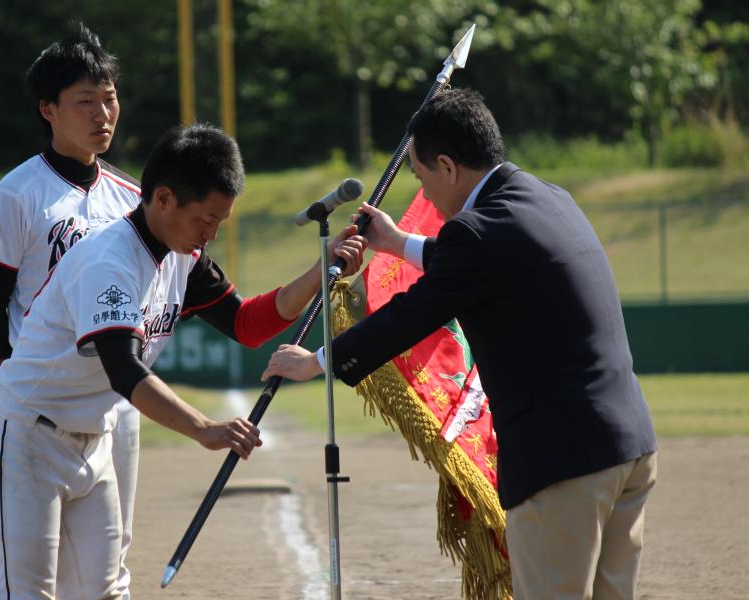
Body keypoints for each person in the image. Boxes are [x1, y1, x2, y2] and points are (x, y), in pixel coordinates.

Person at [263, 88, 658, 600]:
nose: (423, 194)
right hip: (629, 446)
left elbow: (412, 315)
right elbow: (475, 265)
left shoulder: (476, 233)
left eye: (422, 176)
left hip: (565, 462)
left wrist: (317, 361)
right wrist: (395, 243)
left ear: (447, 166)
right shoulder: (545, 197)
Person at [0, 122, 364, 598]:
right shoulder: (107, 261)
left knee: (107, 592)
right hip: (26, 439)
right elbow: (126, 372)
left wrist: (321, 272)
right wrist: (204, 428)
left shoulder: (183, 253)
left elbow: (246, 324)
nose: (211, 234)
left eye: (220, 222)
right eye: (205, 220)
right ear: (163, 199)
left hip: (91, 443)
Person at [0, 23, 143, 598]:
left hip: (116, 405)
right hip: (39, 408)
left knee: (107, 571)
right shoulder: (17, 194)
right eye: (85, 101)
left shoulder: (132, 200)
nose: (102, 113)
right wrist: (9, 388)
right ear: (48, 108)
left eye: (109, 97)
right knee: (41, 579)